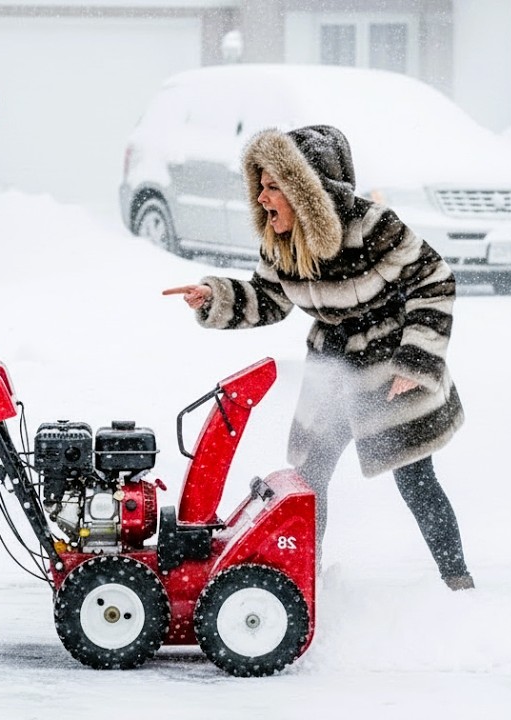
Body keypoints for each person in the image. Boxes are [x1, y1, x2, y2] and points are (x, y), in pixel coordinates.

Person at [163, 125, 474, 591]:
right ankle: (307, 582)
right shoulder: (280, 240)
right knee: (308, 479)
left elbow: (434, 279)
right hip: (331, 367)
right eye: (260, 186)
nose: (263, 199)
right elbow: (269, 298)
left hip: (392, 368)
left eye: (274, 187)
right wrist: (214, 296)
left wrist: (415, 361)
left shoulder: (373, 227)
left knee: (415, 479)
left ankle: (458, 583)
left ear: (308, 192)